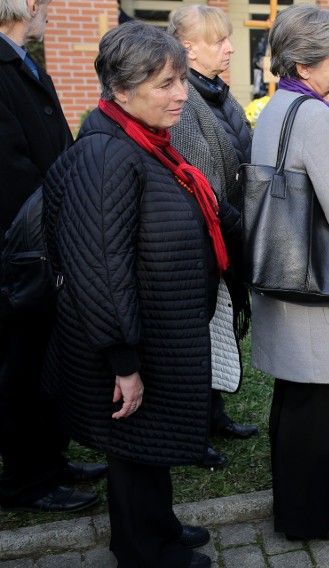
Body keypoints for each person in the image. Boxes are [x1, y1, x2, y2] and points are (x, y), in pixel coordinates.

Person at [40, 21, 240, 568]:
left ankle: (160, 527)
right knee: (132, 446)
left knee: (149, 445)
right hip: (130, 343)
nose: (180, 94)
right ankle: (144, 551)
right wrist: (123, 360)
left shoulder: (144, 141)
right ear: (122, 91)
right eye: (164, 84)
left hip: (157, 328)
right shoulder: (109, 157)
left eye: (180, 79)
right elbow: (99, 270)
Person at [250, 4, 329, 541]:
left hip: (280, 273)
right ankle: (308, 517)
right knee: (315, 412)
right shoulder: (317, 116)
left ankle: (295, 507)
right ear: (303, 65)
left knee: (293, 401)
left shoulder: (276, 107)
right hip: (316, 287)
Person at [0, 0, 103, 514]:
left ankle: (53, 461)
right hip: (22, 249)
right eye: (36, 1)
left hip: (41, 239)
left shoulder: (20, 58)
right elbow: (11, 172)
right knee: (19, 366)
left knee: (44, 357)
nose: (44, 9)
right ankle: (27, 480)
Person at [168, 4, 256, 470]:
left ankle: (213, 415)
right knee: (198, 332)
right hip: (204, 234)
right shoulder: (185, 101)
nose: (230, 48)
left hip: (228, 229)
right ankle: (191, 429)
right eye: (218, 40)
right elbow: (199, 177)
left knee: (218, 326)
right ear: (187, 48)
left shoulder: (219, 92)